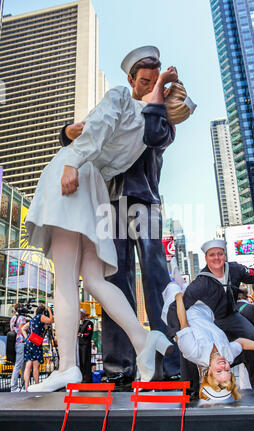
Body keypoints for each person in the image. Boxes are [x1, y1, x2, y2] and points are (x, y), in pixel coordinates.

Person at [23, 51, 194, 393]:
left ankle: (164, 362)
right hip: (106, 200)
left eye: (155, 82)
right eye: (144, 81)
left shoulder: (157, 120)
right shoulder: (127, 107)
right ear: (133, 80)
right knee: (109, 277)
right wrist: (68, 135)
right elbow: (91, 134)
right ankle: (126, 358)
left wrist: (159, 92)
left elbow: (142, 131)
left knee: (149, 278)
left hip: (138, 201)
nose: (151, 88)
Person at [166, 239, 254, 397]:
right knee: (187, 347)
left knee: (252, 336)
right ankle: (190, 390)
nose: (217, 258)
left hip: (230, 316)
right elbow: (176, 307)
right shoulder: (200, 283)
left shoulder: (234, 269)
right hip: (210, 321)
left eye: (220, 254)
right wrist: (175, 332)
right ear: (206, 258)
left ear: (225, 255)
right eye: (212, 255)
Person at [162, 271, 254, 402]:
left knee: (172, 285)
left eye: (219, 372)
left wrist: (179, 298)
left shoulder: (193, 352)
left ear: (209, 372)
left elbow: (183, 321)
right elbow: (242, 342)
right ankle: (177, 271)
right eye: (227, 371)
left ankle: (173, 271)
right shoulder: (227, 356)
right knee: (186, 284)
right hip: (203, 311)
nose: (224, 367)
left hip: (181, 310)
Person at [21, 305, 54, 392]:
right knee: (36, 366)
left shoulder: (32, 319)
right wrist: (50, 311)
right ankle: (36, 386)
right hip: (36, 343)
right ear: (43, 312)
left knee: (28, 366)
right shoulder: (41, 317)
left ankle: (26, 388)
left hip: (28, 342)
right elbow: (51, 320)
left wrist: (26, 338)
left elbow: (23, 328)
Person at [9, 304, 27, 392]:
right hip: (21, 342)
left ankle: (21, 386)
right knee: (20, 365)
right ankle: (15, 387)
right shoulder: (22, 318)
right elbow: (22, 330)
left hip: (14, 342)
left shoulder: (13, 318)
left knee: (19, 365)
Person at [78, 309, 94, 383]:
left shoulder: (89, 323)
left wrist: (81, 335)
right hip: (80, 345)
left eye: (80, 313)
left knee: (85, 361)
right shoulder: (81, 324)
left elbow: (89, 333)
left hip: (85, 345)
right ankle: (82, 377)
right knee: (81, 362)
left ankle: (87, 379)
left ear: (83, 314)